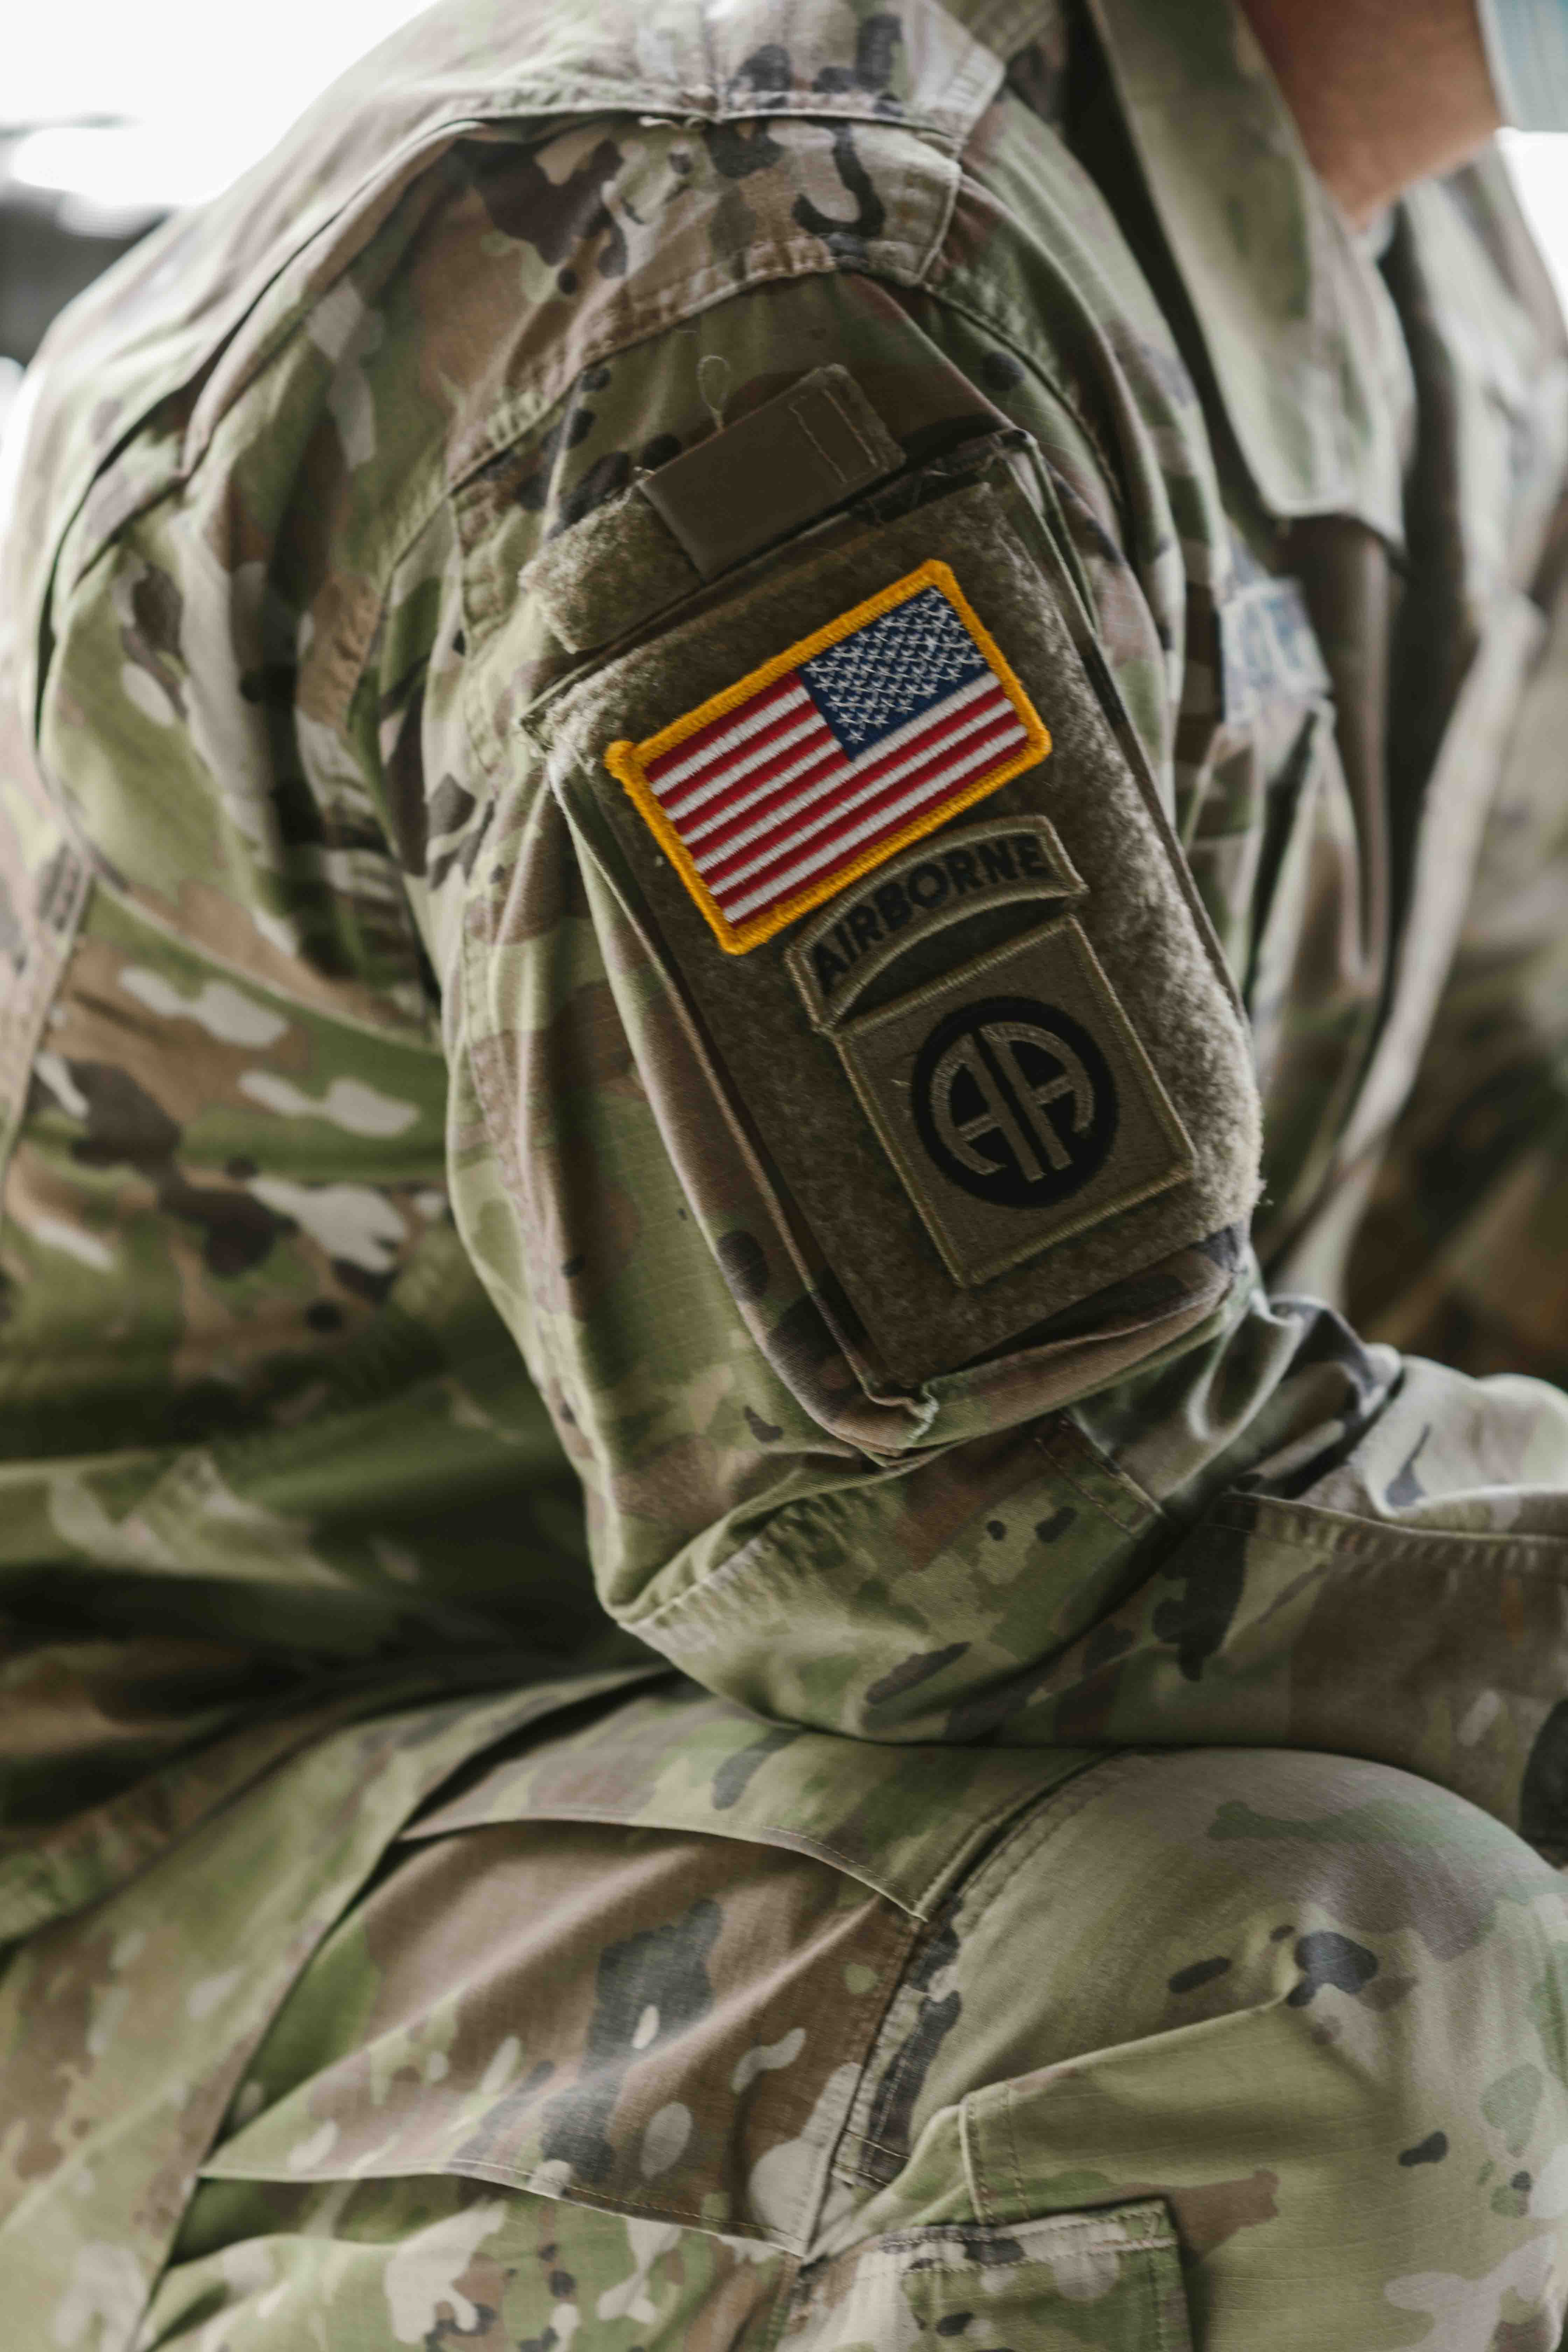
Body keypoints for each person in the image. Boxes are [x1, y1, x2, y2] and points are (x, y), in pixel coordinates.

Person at [5, 0, 1568, 2339]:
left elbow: (1484, 1158)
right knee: (1329, 2003)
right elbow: (975, 1522)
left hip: (702, 1802)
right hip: (157, 1889)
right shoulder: (770, 271)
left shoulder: (1411, 258)